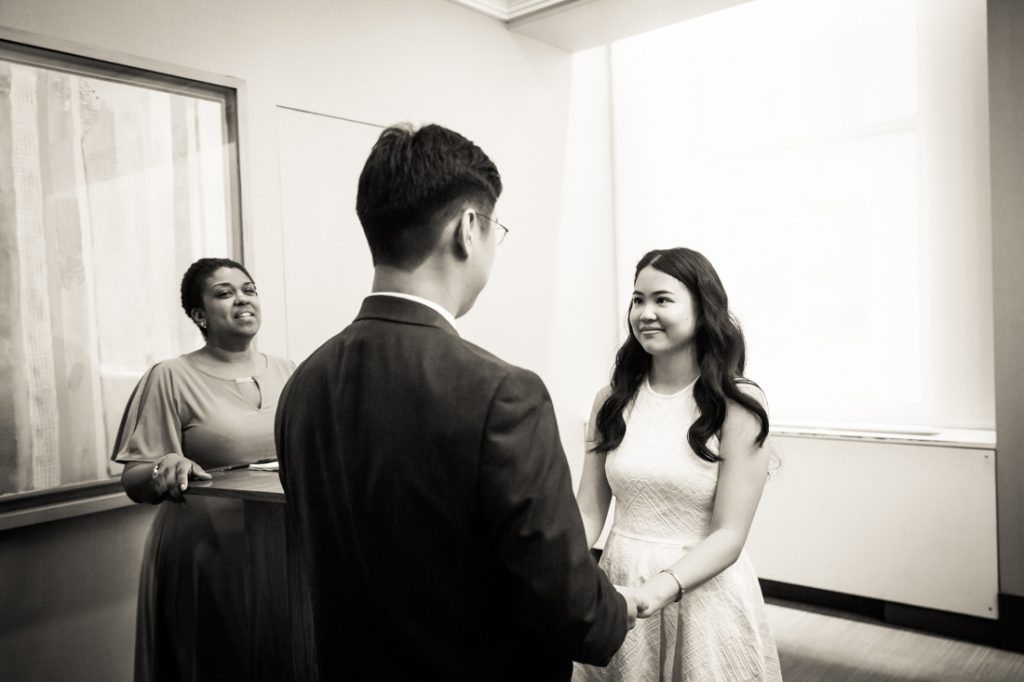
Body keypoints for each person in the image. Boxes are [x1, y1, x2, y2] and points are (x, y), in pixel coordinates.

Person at [275, 123, 637, 681]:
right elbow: (576, 614)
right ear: (469, 228)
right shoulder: (503, 393)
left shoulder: (305, 384)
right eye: (498, 230)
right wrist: (617, 608)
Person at [574, 247, 782, 681]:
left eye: (662, 299)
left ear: (703, 308)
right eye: (637, 300)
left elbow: (729, 534)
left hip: (703, 594)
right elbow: (590, 509)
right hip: (620, 585)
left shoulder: (739, 402)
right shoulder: (610, 400)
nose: (644, 313)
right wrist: (561, 571)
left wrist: (657, 591)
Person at [112, 257, 295, 682]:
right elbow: (134, 480)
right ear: (199, 315)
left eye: (249, 289)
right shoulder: (170, 376)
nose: (242, 299)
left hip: (279, 546)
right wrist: (164, 467)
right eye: (224, 293)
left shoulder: (292, 372)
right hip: (206, 555)